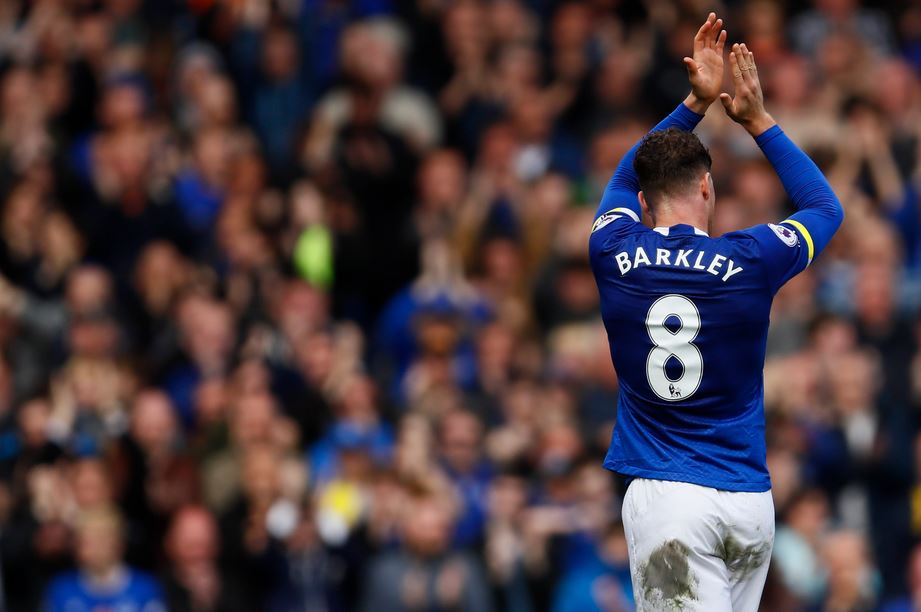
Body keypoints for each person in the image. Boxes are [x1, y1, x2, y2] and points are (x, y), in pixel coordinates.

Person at [588, 12, 844, 612]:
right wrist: (757, 120)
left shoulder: (612, 250)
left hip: (668, 497)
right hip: (749, 501)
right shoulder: (751, 257)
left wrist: (694, 104)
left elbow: (623, 175)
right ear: (707, 187)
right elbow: (824, 207)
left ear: (644, 201)